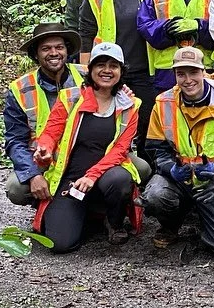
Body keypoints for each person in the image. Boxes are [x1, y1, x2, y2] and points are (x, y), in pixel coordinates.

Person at [30, 42, 141, 253]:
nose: (106, 70)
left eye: (113, 66)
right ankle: (87, 214)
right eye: (100, 65)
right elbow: (51, 131)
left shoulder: (130, 106)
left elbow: (120, 149)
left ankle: (113, 220)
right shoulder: (70, 98)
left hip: (104, 176)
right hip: (72, 180)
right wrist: (43, 148)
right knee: (60, 244)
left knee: (119, 179)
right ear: (89, 69)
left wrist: (92, 176)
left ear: (121, 71)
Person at [140, 47, 214, 259]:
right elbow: (155, 149)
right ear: (175, 76)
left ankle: (211, 220)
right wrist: (171, 169)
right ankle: (171, 224)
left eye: (193, 72)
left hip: (213, 182)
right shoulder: (163, 104)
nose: (187, 79)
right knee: (155, 195)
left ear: (204, 72)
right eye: (181, 74)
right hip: (178, 180)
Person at [78, 0, 157, 125]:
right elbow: (86, 36)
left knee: (147, 125)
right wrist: (86, 75)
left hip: (147, 71)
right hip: (111, 73)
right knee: (113, 126)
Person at [4, 23, 85, 206]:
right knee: (16, 188)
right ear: (36, 54)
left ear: (67, 50)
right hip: (44, 160)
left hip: (87, 154)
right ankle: (44, 203)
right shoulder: (20, 89)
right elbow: (15, 140)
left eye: (59, 47)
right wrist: (32, 175)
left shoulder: (88, 75)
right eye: (46, 49)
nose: (54, 53)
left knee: (141, 168)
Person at [138, 0, 214, 94]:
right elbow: (144, 24)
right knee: (168, 113)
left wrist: (200, 28)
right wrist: (167, 29)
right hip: (167, 70)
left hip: (203, 68)